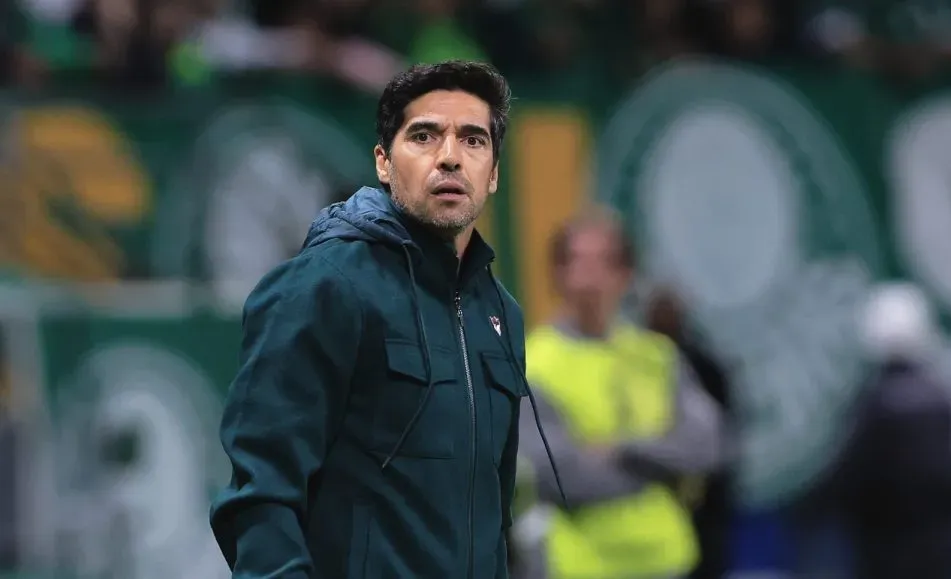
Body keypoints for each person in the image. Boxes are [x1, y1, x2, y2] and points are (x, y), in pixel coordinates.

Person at [210, 60, 547, 578]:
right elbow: (261, 498)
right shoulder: (322, 286)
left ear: (495, 172)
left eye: (474, 141)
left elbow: (492, 517)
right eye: (425, 136)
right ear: (384, 163)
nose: (451, 158)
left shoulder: (501, 313)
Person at [517, 207, 725, 579]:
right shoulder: (535, 362)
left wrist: (622, 450)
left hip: (667, 560)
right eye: (577, 262)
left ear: (626, 274)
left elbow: (706, 446)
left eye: (603, 263)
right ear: (557, 274)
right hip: (579, 566)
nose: (589, 278)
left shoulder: (657, 356)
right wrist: (662, 469)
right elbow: (555, 476)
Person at [798, 283, 951, 579]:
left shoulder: (878, 404)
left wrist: (809, 509)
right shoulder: (944, 400)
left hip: (886, 549)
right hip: (938, 546)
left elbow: (846, 474)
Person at [644, 289, 734, 579]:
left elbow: (715, 442)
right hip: (649, 508)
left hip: (702, 505)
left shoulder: (703, 366)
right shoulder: (633, 363)